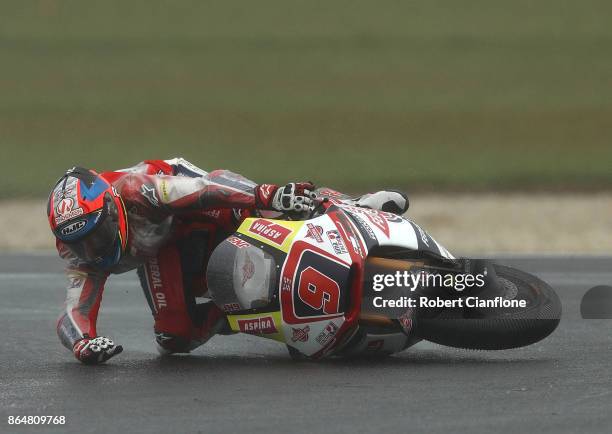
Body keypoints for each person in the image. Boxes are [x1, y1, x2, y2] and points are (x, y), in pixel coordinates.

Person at [47, 158, 408, 364]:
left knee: (265, 207)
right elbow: (74, 312)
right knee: (176, 338)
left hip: (189, 198)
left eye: (96, 236)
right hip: (163, 247)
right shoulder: (79, 252)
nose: (92, 250)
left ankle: (355, 204)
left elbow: (203, 189)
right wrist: (84, 345)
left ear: (111, 211)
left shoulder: (135, 190)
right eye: (79, 244)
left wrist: (265, 193)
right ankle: (274, 318)